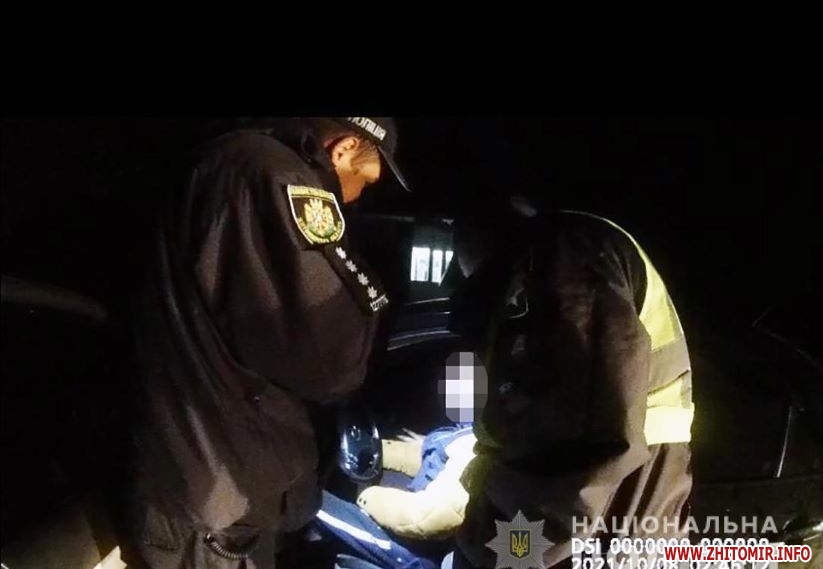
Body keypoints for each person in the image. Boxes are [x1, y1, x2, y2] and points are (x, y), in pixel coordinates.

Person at [119, 117, 410, 568]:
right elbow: (332, 359)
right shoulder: (276, 178)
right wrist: (368, 308)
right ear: (345, 149)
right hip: (217, 503)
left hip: (211, 486)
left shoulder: (237, 165)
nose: (356, 198)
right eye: (365, 181)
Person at [447, 195, 694, 568]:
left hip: (613, 502)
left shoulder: (569, 256)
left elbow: (580, 457)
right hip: (615, 500)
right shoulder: (559, 262)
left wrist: (505, 554)